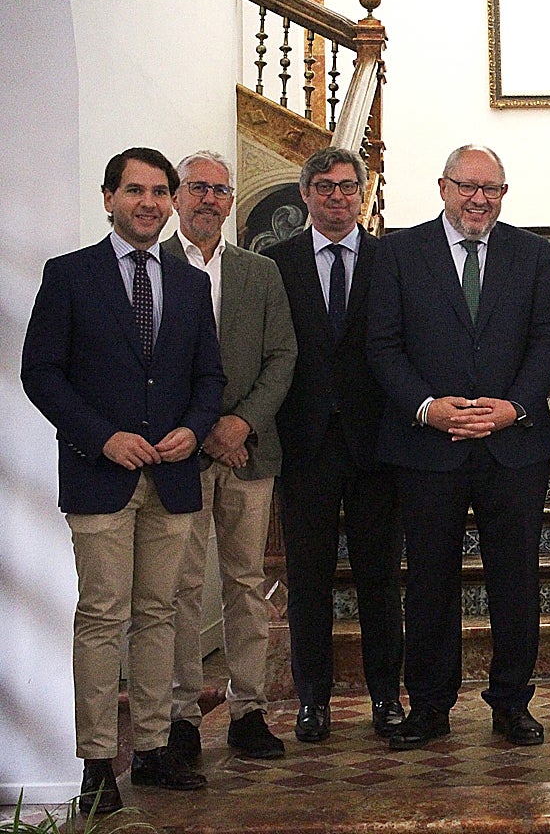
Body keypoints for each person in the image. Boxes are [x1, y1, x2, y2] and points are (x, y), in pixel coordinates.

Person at [21, 147, 224, 813]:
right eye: (134, 190)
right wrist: (102, 436)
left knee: (161, 615)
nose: (149, 203)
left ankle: (158, 747)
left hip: (172, 478)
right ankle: (98, 763)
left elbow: (208, 380)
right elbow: (41, 372)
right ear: (107, 197)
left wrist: (195, 429)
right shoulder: (70, 275)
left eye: (159, 191)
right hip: (98, 475)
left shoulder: (190, 283)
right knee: (104, 616)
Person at [368, 144, 550, 749]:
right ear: (443, 187)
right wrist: (427, 407)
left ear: (504, 194)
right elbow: (382, 344)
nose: (479, 199)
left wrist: (515, 407)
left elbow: (549, 339)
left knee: (516, 581)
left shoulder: (532, 255)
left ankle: (511, 703)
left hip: (513, 448)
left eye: (492, 189)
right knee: (428, 581)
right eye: (468, 186)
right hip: (429, 446)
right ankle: (428, 705)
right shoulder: (399, 252)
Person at [265, 147, 404, 744]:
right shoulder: (277, 263)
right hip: (306, 446)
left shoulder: (391, 259)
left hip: (377, 446)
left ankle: (385, 698)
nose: (337, 197)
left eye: (348, 187)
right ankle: (312, 702)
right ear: (305, 195)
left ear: (365, 194)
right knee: (309, 581)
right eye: (324, 187)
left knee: (380, 580)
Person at [163, 150, 296, 763]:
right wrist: (198, 429)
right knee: (180, 586)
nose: (210, 199)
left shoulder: (259, 271)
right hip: (177, 454)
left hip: (248, 454)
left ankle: (249, 710)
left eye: (221, 189)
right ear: (175, 196)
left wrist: (240, 423)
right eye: (197, 188)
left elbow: (282, 357)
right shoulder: (152, 266)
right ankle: (181, 714)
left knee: (246, 585)